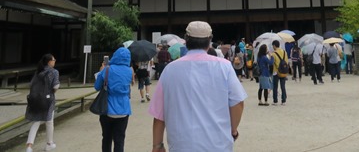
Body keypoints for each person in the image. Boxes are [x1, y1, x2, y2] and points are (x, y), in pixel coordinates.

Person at [149, 21, 247, 151]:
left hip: (182, 146)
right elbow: (238, 103)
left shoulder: (170, 70)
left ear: (186, 39)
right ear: (209, 40)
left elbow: (159, 114)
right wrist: (233, 130)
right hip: (218, 145)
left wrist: (157, 145)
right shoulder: (224, 67)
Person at [94, 47, 134, 152]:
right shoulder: (129, 71)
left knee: (106, 138)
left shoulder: (107, 69)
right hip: (124, 109)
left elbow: (97, 87)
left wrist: (100, 72)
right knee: (119, 139)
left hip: (107, 108)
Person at [25, 54, 60, 152]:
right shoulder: (54, 72)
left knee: (36, 122)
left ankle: (29, 146)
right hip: (48, 100)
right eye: (54, 59)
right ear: (49, 61)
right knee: (49, 122)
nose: (55, 61)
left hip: (35, 100)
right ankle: (49, 143)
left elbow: (31, 84)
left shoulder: (38, 71)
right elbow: (56, 86)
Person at [271, 40, 288, 105]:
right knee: (283, 86)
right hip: (283, 71)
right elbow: (286, 61)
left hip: (276, 71)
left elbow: (272, 63)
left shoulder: (274, 54)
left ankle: (275, 101)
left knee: (275, 86)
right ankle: (283, 100)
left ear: (274, 45)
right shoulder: (284, 52)